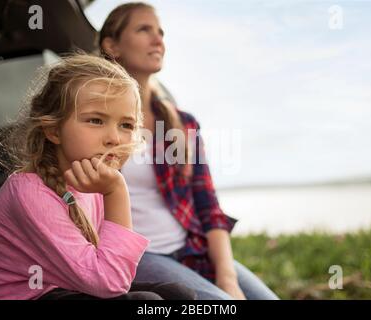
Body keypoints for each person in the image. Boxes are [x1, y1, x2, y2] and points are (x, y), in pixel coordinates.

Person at [0, 54, 195, 300]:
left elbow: (107, 272)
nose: (114, 138)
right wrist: (116, 192)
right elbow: (109, 283)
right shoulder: (30, 193)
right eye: (96, 120)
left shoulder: (94, 185)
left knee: (179, 294)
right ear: (54, 130)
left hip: (65, 288)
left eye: (126, 125)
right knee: (146, 302)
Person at [99, 2, 279, 300]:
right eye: (144, 30)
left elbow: (208, 205)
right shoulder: (92, 118)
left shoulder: (183, 123)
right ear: (112, 46)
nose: (159, 40)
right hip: (139, 256)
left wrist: (227, 276)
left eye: (161, 32)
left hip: (191, 249)